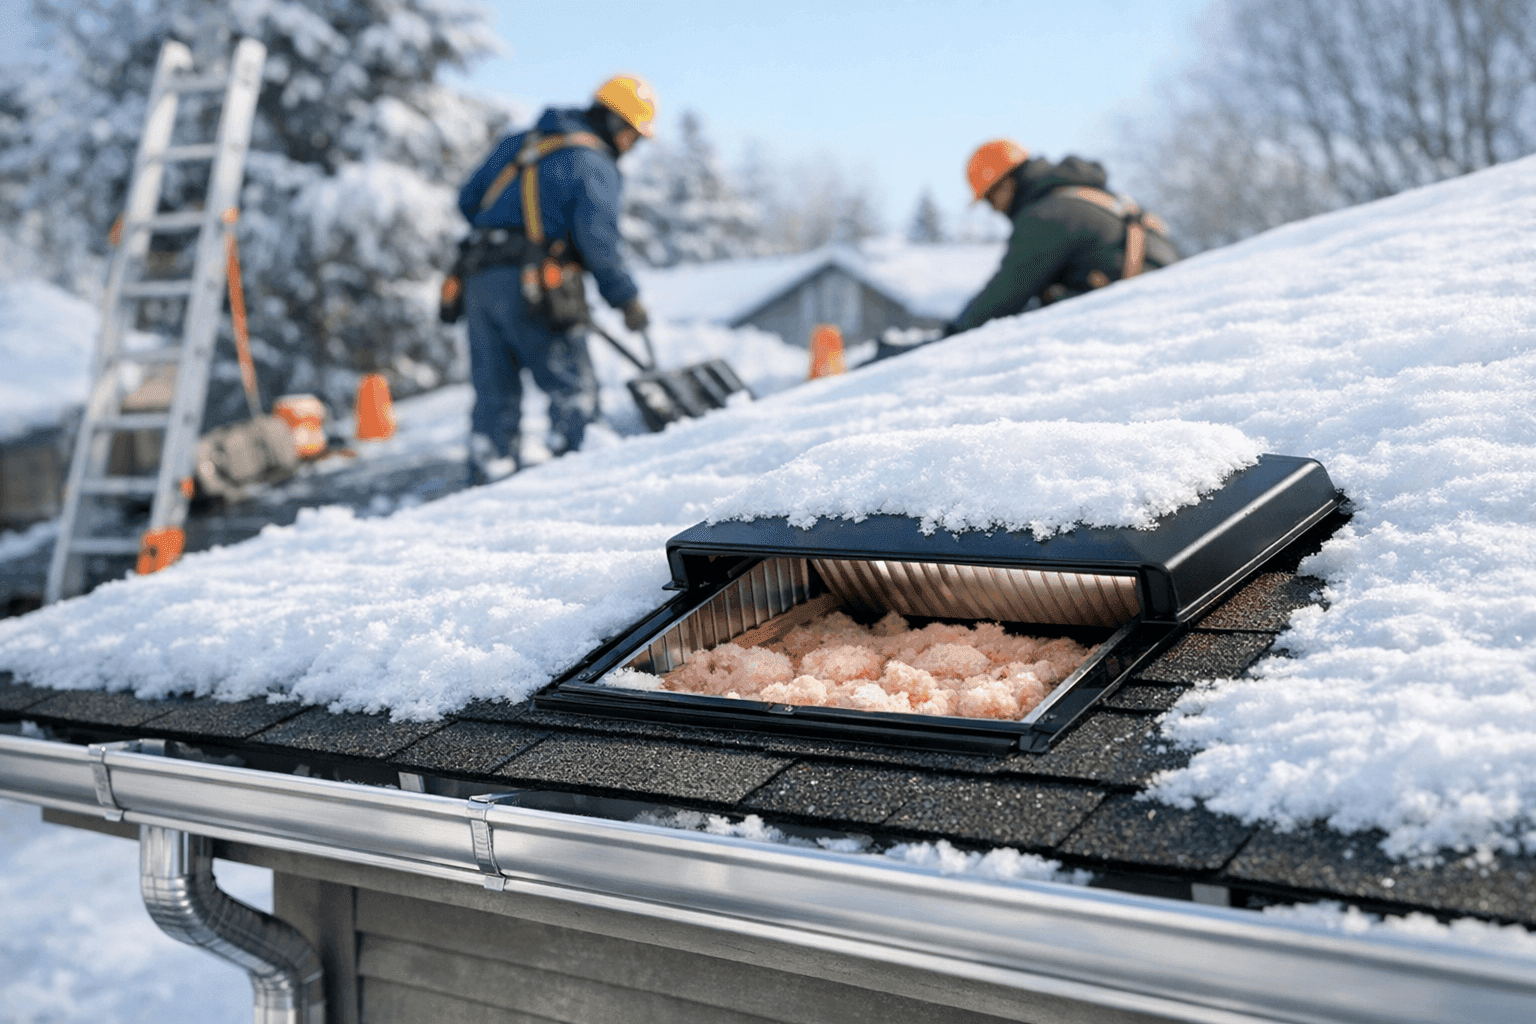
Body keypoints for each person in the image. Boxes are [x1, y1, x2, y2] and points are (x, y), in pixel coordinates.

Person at [455, 74, 656, 483]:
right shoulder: (593, 162)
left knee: (494, 394)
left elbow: (468, 201)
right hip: (538, 288)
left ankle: (486, 481)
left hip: (478, 282)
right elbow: (599, 242)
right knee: (571, 390)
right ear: (616, 124)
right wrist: (626, 299)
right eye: (633, 137)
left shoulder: (520, 143)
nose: (630, 148)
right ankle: (578, 482)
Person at [943, 139, 1179, 338]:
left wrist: (950, 334)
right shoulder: (1086, 196)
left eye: (990, 200)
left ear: (1006, 184)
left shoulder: (1046, 216)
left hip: (1145, 312)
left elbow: (1004, 296)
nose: (994, 210)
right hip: (1166, 293)